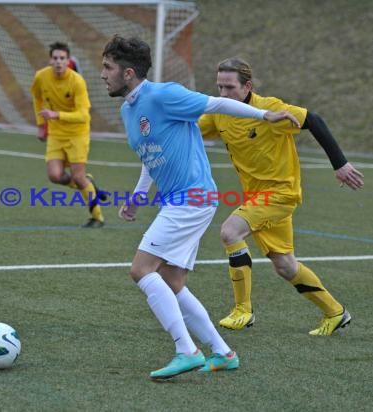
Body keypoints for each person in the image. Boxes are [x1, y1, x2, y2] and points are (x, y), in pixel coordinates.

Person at [101, 35, 300, 380]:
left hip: (192, 197)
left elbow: (217, 105)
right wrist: (137, 198)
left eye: (108, 67)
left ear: (128, 72)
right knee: (171, 281)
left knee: (141, 269)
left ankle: (186, 350)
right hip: (179, 200)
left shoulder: (163, 95)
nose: (102, 74)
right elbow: (150, 157)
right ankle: (223, 353)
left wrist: (264, 114)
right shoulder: (128, 109)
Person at [198, 57, 365, 336]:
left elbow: (314, 120)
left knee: (230, 232)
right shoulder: (220, 112)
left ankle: (243, 311)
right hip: (256, 197)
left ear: (247, 86)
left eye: (229, 87)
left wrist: (340, 164)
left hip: (280, 193)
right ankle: (335, 312)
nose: (223, 94)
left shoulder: (270, 108)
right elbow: (190, 129)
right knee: (286, 266)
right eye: (219, 87)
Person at [30, 41, 106, 228]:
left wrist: (56, 114)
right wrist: (41, 125)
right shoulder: (41, 77)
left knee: (78, 176)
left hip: (77, 135)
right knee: (55, 175)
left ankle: (97, 217)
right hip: (56, 134)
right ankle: (89, 186)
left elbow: (83, 115)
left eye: (62, 58)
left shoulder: (77, 81)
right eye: (55, 58)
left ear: (68, 60)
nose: (58, 62)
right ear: (50, 60)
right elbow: (37, 98)